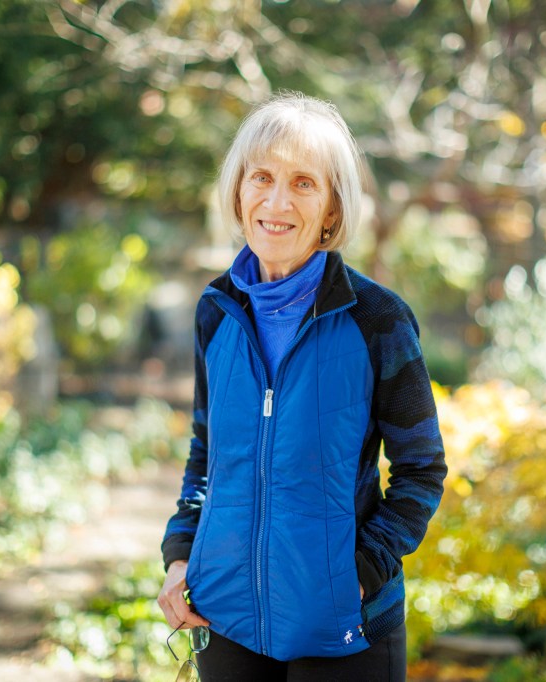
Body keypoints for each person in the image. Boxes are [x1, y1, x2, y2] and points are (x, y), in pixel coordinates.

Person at [158, 91, 447, 681]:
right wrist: (183, 554)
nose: (277, 201)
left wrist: (357, 573)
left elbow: (422, 469)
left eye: (303, 183)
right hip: (227, 616)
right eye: (261, 177)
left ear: (332, 210)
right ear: (239, 192)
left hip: (345, 630)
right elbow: (205, 453)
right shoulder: (217, 311)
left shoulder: (378, 321)